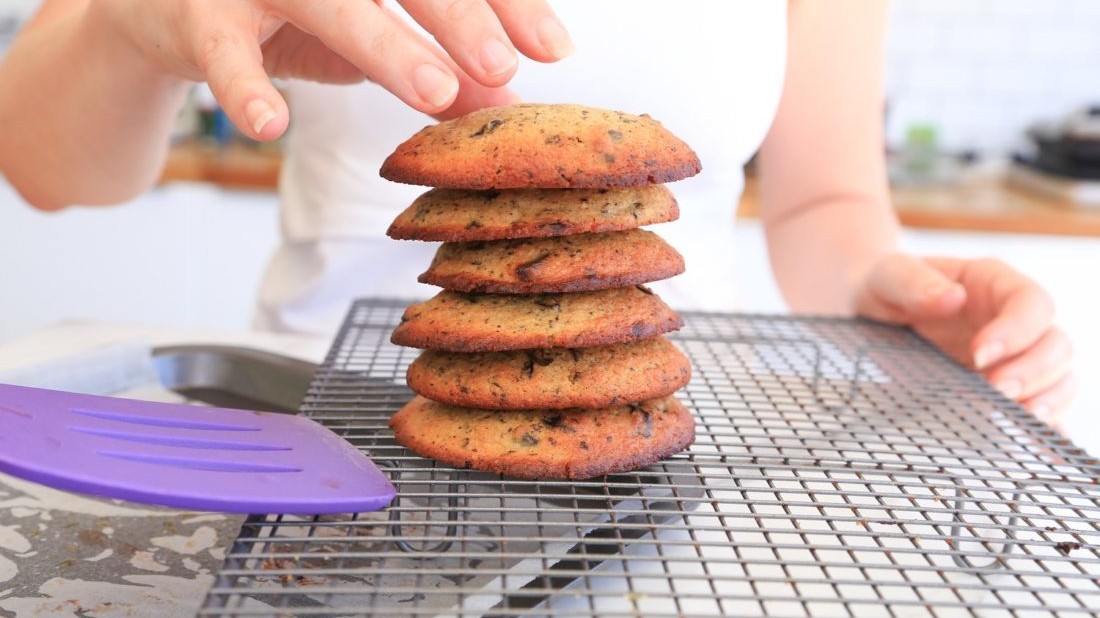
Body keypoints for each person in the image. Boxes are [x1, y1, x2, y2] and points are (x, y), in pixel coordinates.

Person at [0, 0, 1074, 427]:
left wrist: (888, 291)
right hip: (318, 422)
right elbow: (43, 166)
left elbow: (828, 201)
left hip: (681, 434)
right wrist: (125, 26)